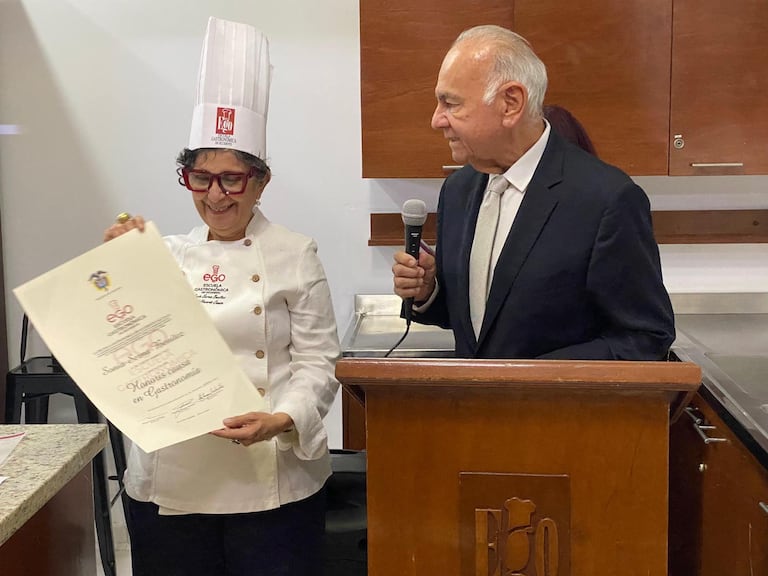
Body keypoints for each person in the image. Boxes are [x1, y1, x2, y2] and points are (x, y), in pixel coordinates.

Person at [103, 18, 340, 576]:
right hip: (172, 482)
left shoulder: (295, 252)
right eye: (200, 177)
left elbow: (317, 364)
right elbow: (125, 348)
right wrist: (117, 269)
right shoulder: (161, 252)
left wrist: (281, 419)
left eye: (232, 179)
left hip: (272, 484)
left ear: (260, 182)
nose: (216, 194)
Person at [392, 25, 674, 360]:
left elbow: (645, 338)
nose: (437, 120)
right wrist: (429, 292)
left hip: (556, 411)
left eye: (451, 104)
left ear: (511, 103)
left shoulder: (606, 200)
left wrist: (530, 381)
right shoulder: (458, 190)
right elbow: (484, 322)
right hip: (471, 409)